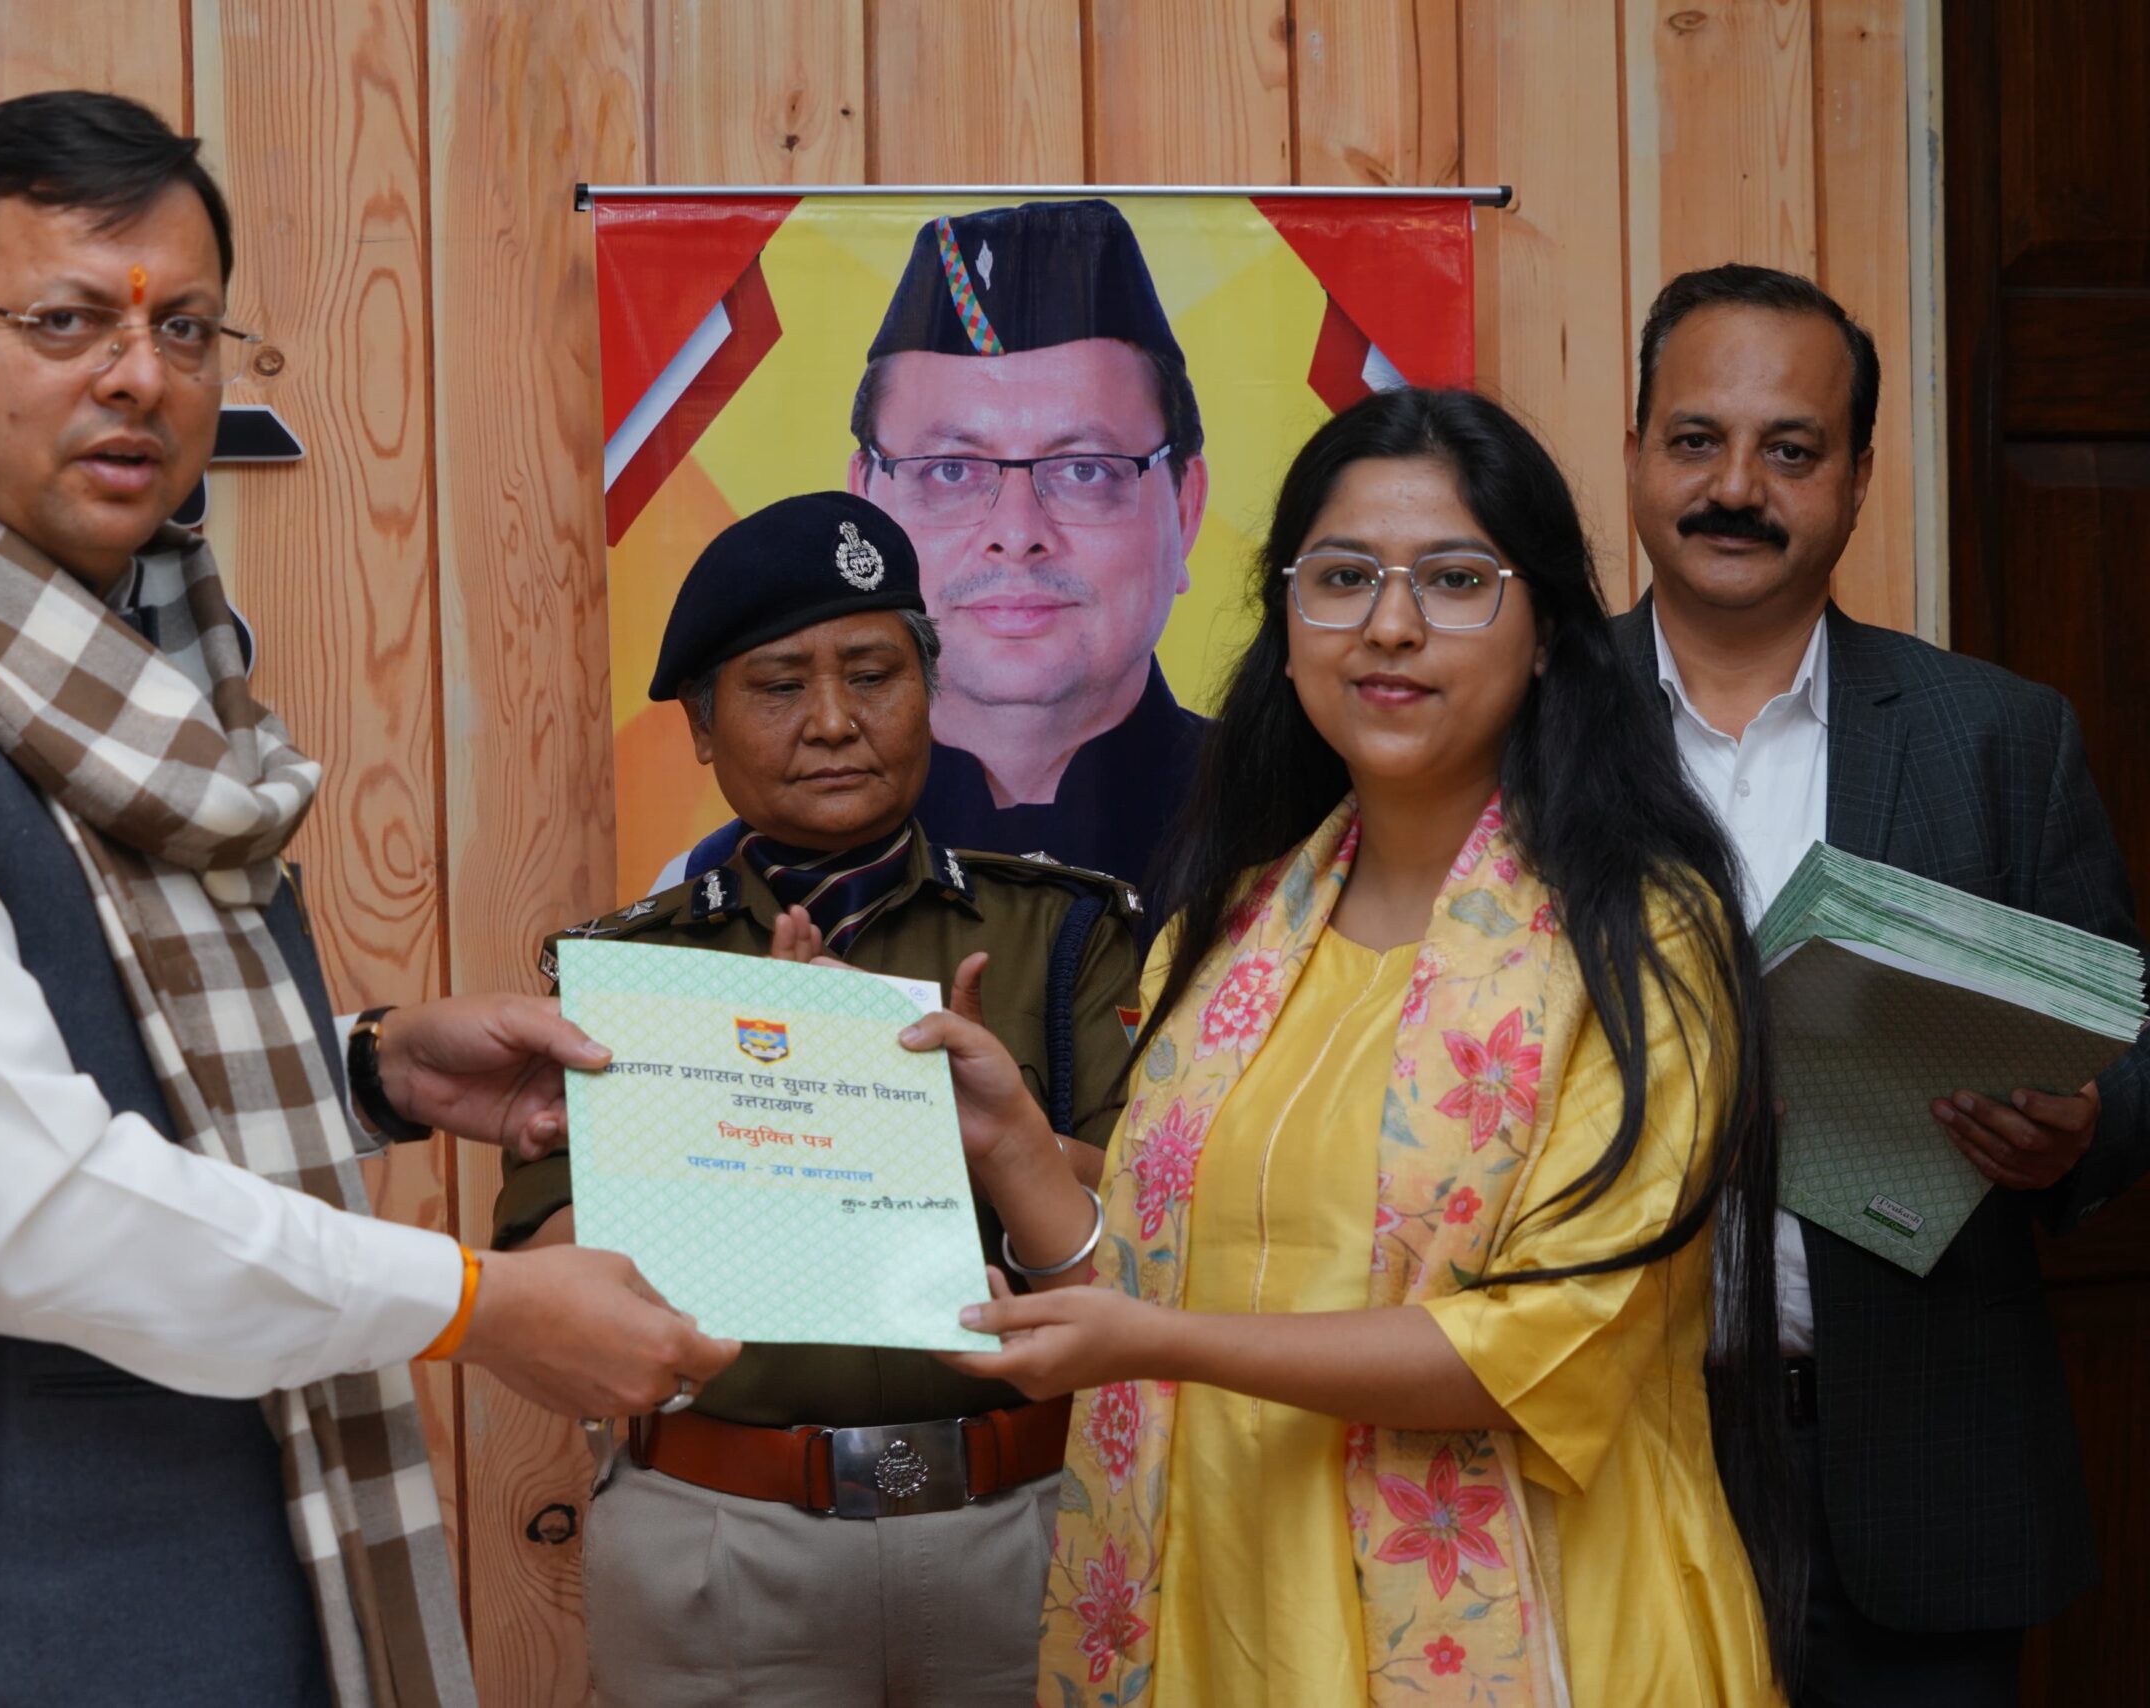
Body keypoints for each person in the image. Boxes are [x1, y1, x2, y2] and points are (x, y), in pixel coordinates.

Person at [0, 91, 736, 1708]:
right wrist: (477, 1302)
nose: (141, 375)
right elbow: (15, 1207)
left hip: (232, 1613)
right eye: (66, 321)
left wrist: (367, 1067)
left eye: (188, 328)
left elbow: (69, 1039)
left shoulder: (105, 655)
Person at [911, 388, 1806, 1704]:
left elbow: (1535, 1349)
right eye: (1341, 578)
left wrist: (1160, 1343)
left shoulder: (1639, 942)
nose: (1390, 624)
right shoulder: (1230, 926)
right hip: (1231, 1610)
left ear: (1547, 634)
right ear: (1287, 626)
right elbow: (1150, 1269)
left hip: (1545, 1620)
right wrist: (1017, 1150)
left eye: (1455, 580)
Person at [494, 491, 1144, 1708]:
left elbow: (1155, 1222)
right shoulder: (631, 973)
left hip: (1028, 1516)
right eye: (780, 685)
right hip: (720, 1532)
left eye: (873, 674)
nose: (835, 721)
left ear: (930, 692)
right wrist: (764, 1106)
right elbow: (546, 1268)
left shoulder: (1060, 937)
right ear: (701, 726)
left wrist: (943, 1121)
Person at [1619, 263, 2150, 1706]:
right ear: (1637, 452)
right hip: (1602, 1450)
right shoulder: (1533, 731)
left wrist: (2082, 1129)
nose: (1737, 486)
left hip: (1924, 1474)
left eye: (1790, 449)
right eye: (1695, 440)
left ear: (1858, 479)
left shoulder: (2000, 738)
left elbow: (2129, 1044)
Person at [663, 199, 1207, 908]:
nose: (1017, 532)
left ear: (1185, 508)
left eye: (1085, 469)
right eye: (950, 470)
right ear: (867, 501)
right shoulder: (714, 894)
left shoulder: (1300, 842)